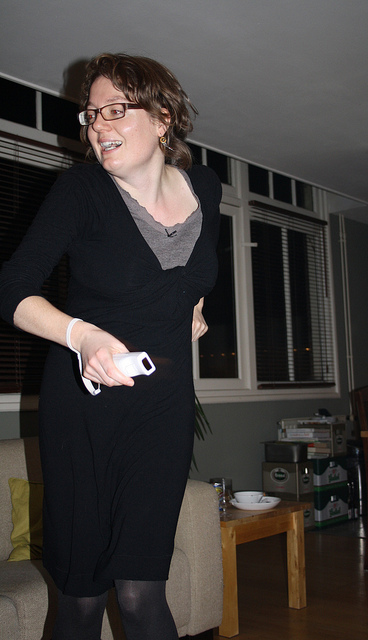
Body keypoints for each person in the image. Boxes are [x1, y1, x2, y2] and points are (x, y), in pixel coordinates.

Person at [0, 53, 221, 640]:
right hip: (84, 409)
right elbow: (11, 289)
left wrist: (194, 303)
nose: (98, 125)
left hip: (162, 410)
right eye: (91, 114)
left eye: (115, 110)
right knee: (83, 596)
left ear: (163, 117)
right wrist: (82, 335)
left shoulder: (205, 186)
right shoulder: (81, 191)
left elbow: (197, 267)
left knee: (143, 589)